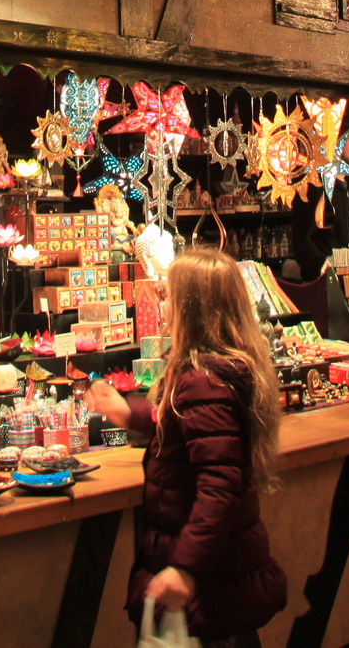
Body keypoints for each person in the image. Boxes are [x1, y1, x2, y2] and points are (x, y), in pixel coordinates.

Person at [86, 248, 288, 647]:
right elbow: (184, 424)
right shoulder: (218, 371)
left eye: (169, 298)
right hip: (223, 575)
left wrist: (184, 569)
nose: (162, 308)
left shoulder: (202, 381)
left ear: (193, 309)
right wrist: (130, 414)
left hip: (210, 585)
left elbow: (219, 485)